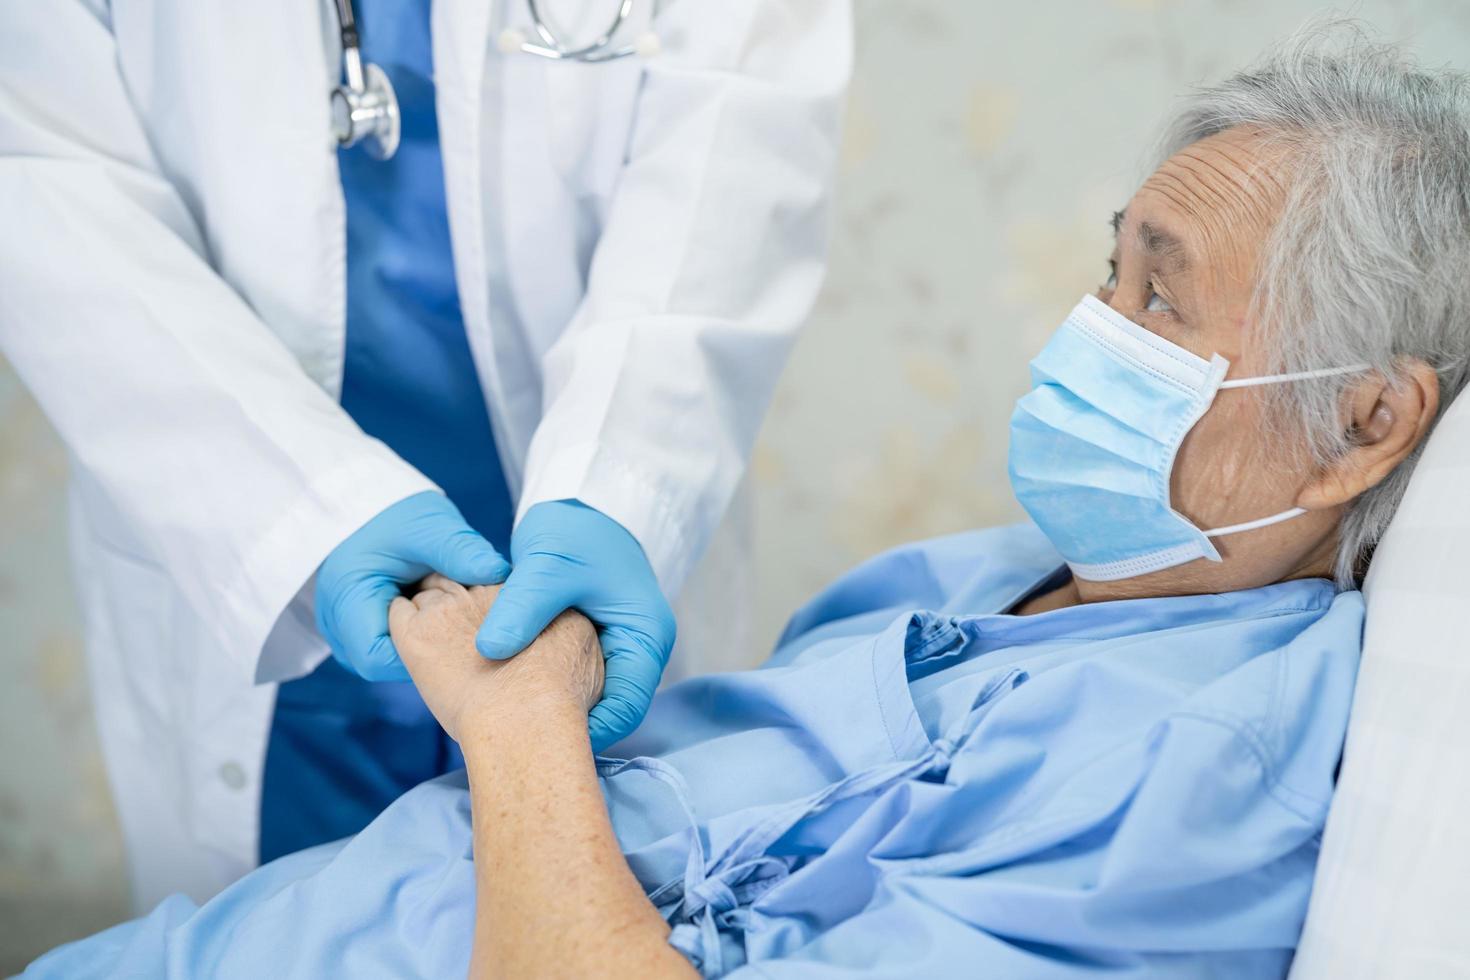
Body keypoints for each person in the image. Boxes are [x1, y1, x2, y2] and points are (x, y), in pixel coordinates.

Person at [23, 24, 1470, 980]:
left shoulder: (1193, 777)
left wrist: (518, 723)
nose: (1089, 328)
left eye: (1163, 297)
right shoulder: (983, 583)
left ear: (1363, 423)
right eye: (1114, 268)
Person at [0, 0, 853, 904]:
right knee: (283, 930)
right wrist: (304, 512)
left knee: (610, 902)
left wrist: (621, 485)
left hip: (582, 537)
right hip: (254, 536)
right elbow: (42, 167)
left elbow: (734, 141)